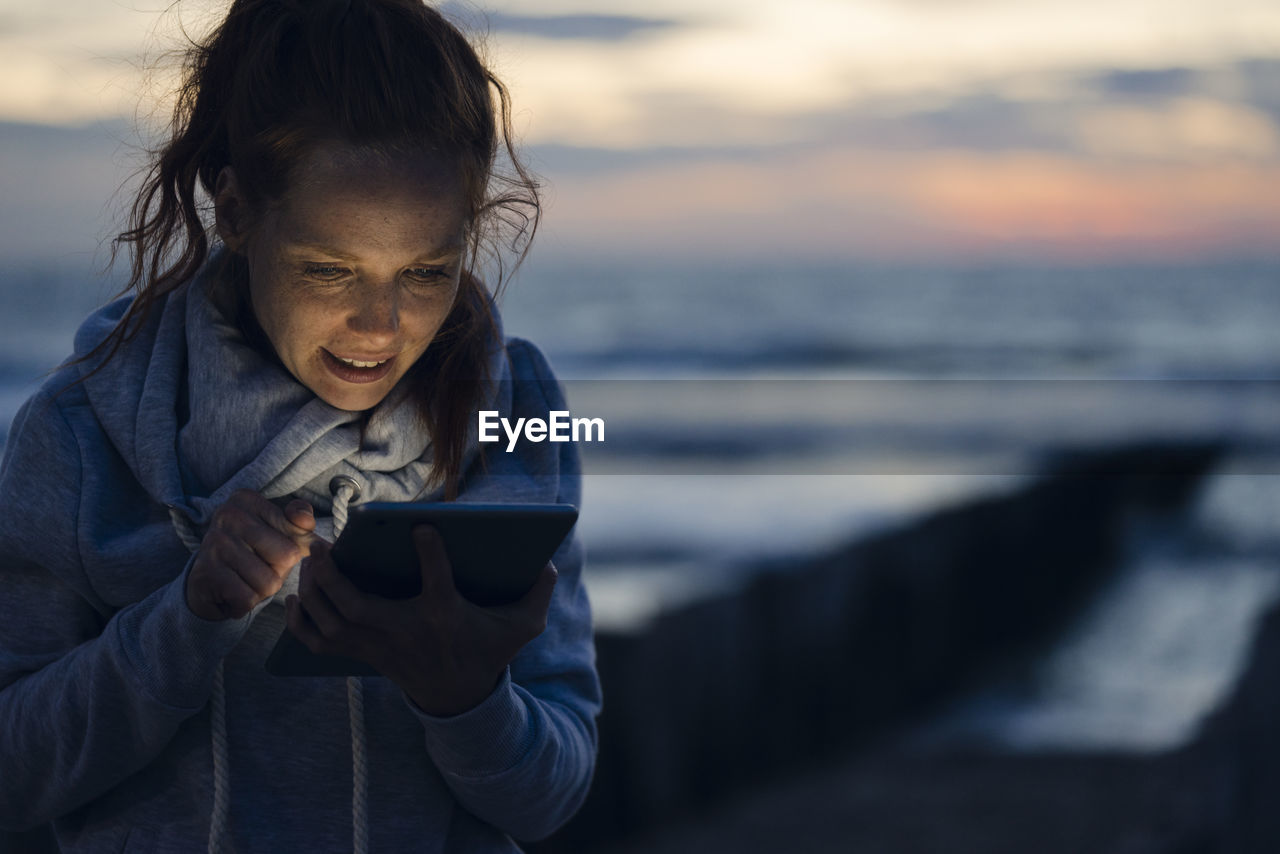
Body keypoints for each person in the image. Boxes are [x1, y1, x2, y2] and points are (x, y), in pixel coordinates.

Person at [0, 1, 601, 851]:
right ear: (237, 212)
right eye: (329, 269)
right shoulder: (79, 433)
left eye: (428, 271)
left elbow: (554, 795)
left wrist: (466, 701)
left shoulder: (516, 413)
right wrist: (187, 620)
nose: (381, 325)